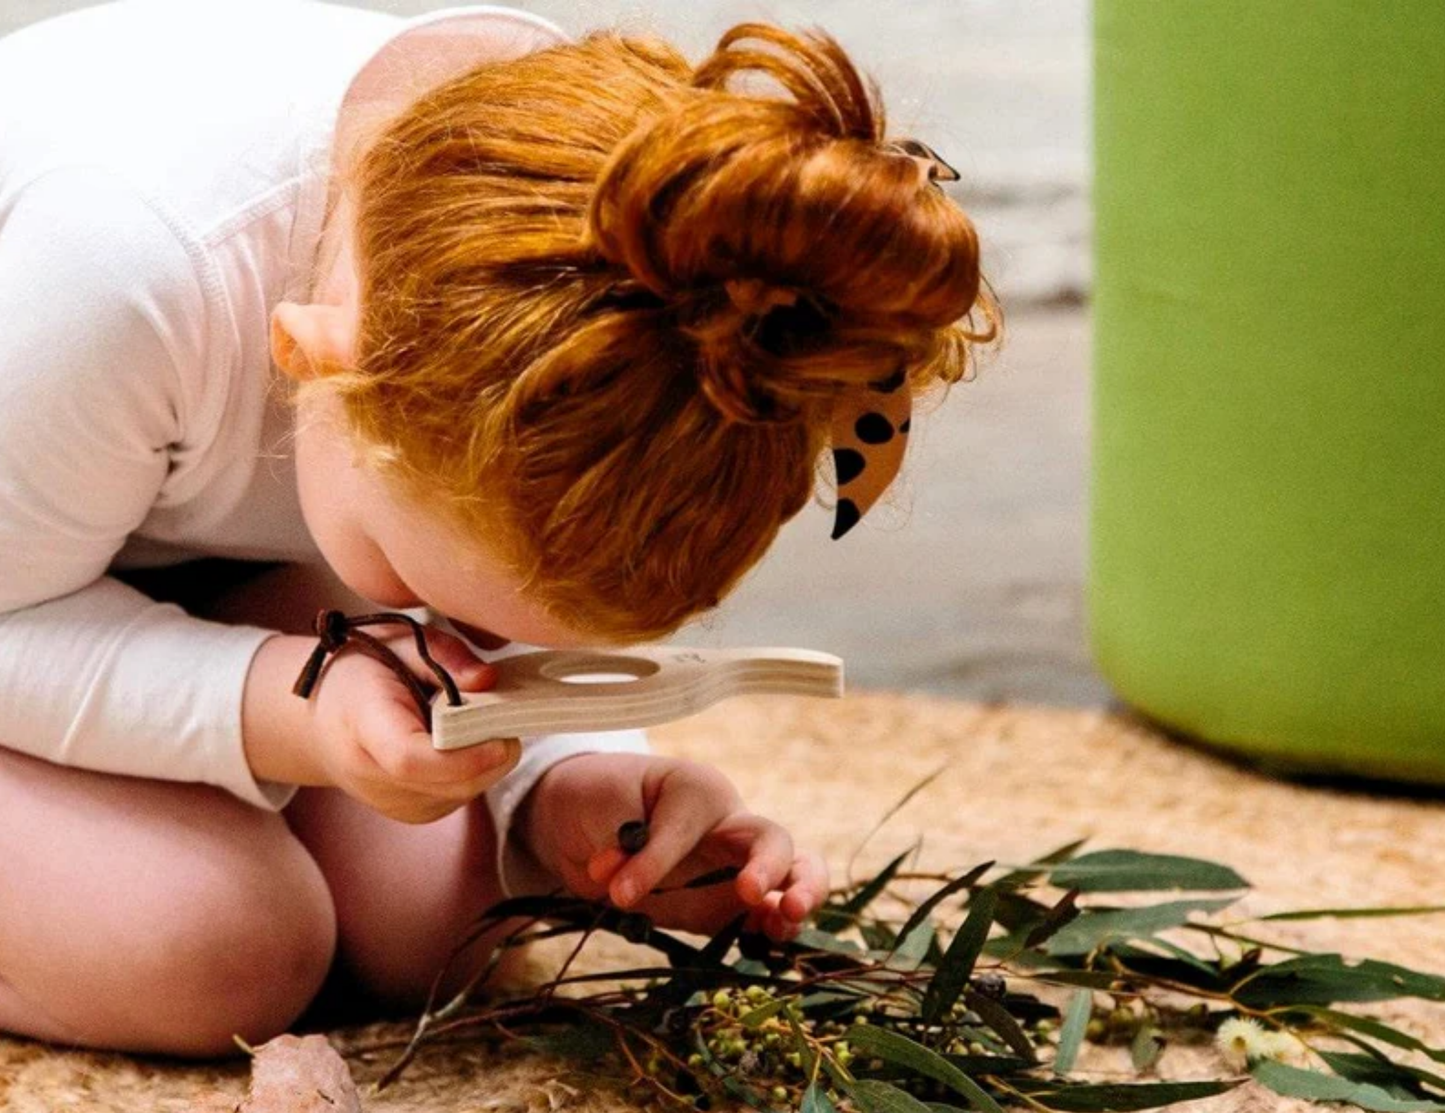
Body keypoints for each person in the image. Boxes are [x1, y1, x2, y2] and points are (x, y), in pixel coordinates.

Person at [0, 1, 999, 1059]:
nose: (469, 640)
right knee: (217, 946)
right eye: (434, 598)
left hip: (132, 550)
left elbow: (500, 576)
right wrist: (284, 709)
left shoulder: (614, 264)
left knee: (442, 927)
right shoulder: (131, 269)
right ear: (316, 354)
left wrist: (566, 783)